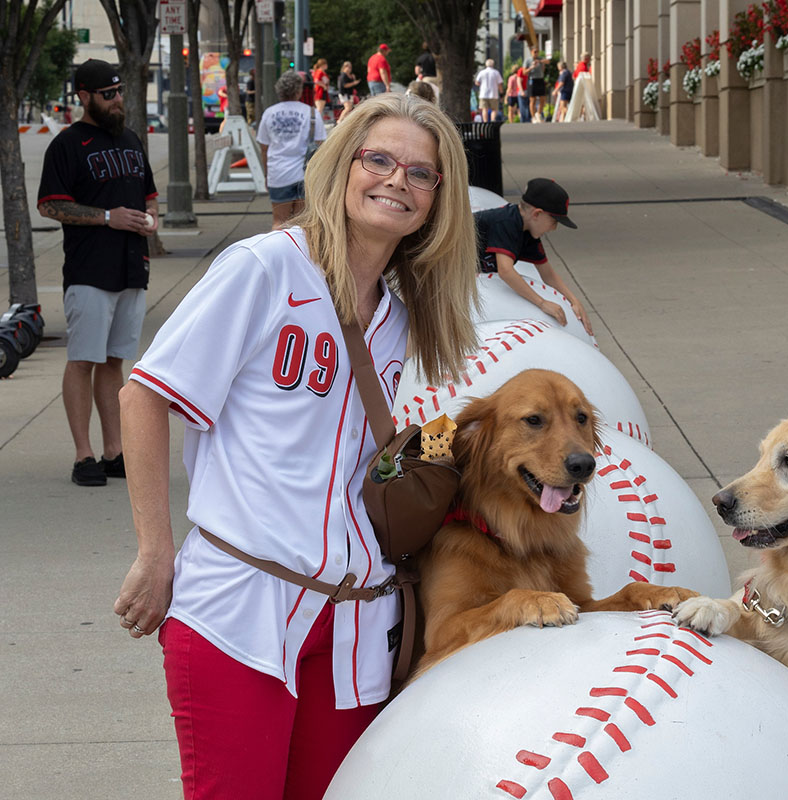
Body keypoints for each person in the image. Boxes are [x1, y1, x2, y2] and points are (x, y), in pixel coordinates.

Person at [112, 92, 479, 800]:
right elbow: (144, 396)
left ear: (438, 198)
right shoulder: (264, 268)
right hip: (241, 604)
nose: (396, 181)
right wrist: (156, 552)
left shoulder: (400, 316)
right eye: (379, 160)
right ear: (343, 166)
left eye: (420, 173)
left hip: (354, 618)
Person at [36, 59, 158, 487]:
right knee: (83, 359)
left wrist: (150, 221)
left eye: (120, 91)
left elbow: (149, 196)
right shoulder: (67, 145)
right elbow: (50, 205)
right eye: (108, 94)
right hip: (89, 270)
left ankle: (113, 451)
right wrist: (107, 216)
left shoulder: (130, 140)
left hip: (130, 269)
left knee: (113, 362)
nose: (117, 100)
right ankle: (82, 455)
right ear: (84, 96)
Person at [473, 178, 592, 335]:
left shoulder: (529, 233)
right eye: (554, 222)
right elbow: (505, 271)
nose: (554, 228)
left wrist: (574, 301)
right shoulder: (506, 222)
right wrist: (541, 303)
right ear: (537, 214)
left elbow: (548, 275)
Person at [257, 70, 327, 230]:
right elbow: (322, 147)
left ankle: (277, 253)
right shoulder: (311, 113)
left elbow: (263, 147)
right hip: (305, 176)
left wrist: (266, 174)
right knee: (302, 225)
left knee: (279, 222)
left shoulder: (270, 113)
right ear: (298, 91)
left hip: (278, 174)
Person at [474, 58, 502, 122]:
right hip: (493, 94)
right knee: (494, 109)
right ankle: (492, 120)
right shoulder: (496, 72)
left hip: (483, 94)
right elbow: (500, 84)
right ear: (493, 65)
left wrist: (481, 84)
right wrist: (501, 92)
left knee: (484, 109)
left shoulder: (482, 72)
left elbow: (477, 82)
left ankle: (485, 122)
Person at [527, 52, 548, 122]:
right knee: (533, 100)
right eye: (534, 52)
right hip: (532, 80)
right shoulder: (528, 60)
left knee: (543, 98)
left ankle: (538, 114)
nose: (536, 53)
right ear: (531, 52)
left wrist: (540, 61)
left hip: (540, 80)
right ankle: (533, 117)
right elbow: (524, 72)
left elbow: (548, 61)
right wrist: (531, 67)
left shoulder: (540, 58)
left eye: (537, 52)